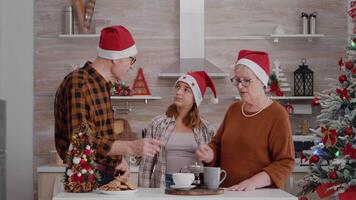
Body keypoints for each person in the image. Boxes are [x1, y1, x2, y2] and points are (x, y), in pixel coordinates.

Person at [54, 25, 161, 185]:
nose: (131, 66)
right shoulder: (80, 84)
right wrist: (130, 147)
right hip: (85, 177)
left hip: (105, 175)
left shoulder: (101, 85)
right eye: (131, 59)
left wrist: (116, 161)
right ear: (116, 58)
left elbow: (100, 137)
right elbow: (81, 142)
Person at [196, 50, 295, 191]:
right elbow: (217, 145)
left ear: (261, 81)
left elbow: (285, 162)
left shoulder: (277, 114)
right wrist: (209, 154)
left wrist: (253, 182)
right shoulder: (234, 109)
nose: (240, 86)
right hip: (228, 192)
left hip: (259, 194)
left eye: (246, 80)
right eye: (237, 80)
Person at [139, 71, 218, 188]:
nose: (178, 92)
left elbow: (211, 163)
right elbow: (147, 162)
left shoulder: (206, 128)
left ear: (195, 98)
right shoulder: (157, 123)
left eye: (186, 89)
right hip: (163, 184)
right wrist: (143, 193)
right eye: (178, 87)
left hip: (194, 186)